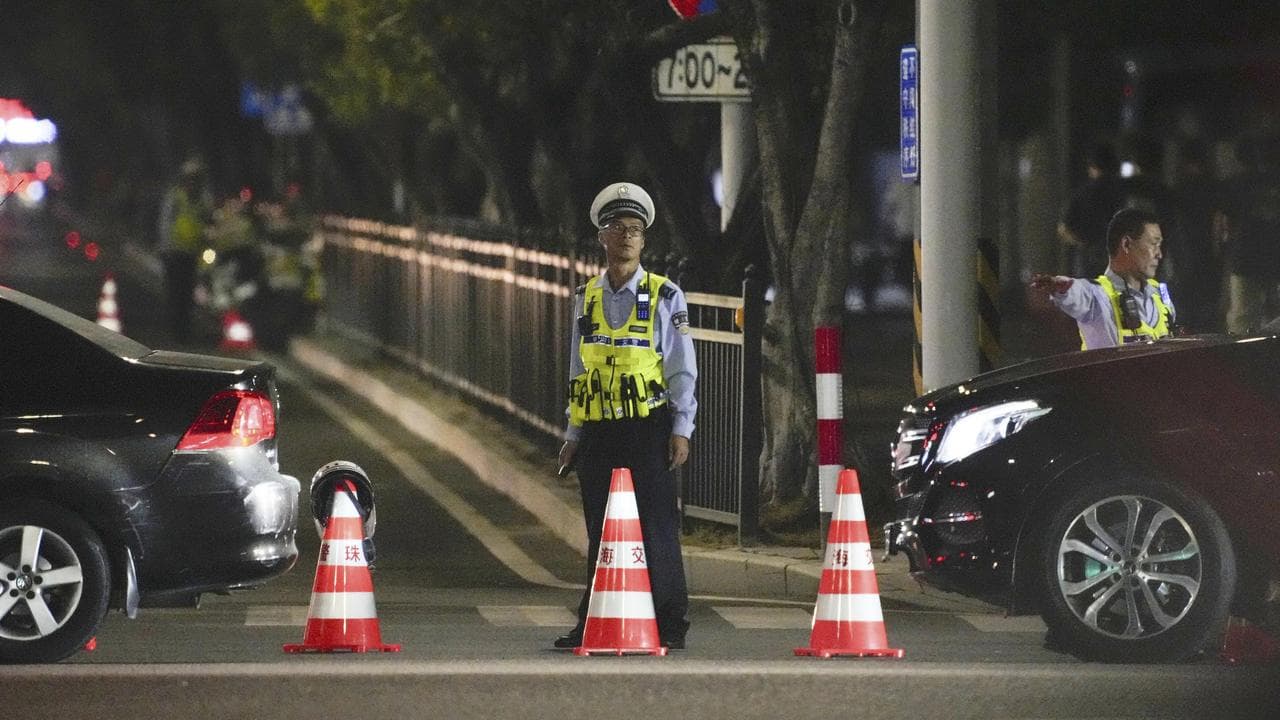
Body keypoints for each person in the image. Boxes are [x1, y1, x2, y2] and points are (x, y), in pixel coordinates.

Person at [554, 182, 697, 650]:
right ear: (602, 237)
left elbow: (681, 368)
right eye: (618, 228)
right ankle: (593, 619)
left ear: (644, 240)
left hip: (647, 426)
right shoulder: (586, 296)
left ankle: (670, 622)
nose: (627, 237)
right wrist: (574, 432)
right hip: (598, 429)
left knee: (656, 526)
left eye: (635, 230)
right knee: (600, 530)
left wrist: (681, 429)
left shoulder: (665, 295)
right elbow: (578, 368)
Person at [1032, 207, 1175, 350]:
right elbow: (1075, 290)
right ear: (1126, 244)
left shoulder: (1160, 293)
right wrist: (1058, 286)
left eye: (1160, 245)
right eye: (1153, 244)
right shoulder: (1097, 296)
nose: (1159, 254)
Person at [1218, 133, 1280, 335]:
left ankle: (1243, 363)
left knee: (1242, 323)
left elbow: (1226, 227)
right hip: (1274, 257)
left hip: (1245, 259)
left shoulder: (1235, 184)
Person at [157, 158, 211, 343]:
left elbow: (207, 223)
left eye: (197, 179)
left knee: (188, 293)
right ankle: (174, 329)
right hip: (174, 253)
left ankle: (185, 329)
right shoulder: (176, 198)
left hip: (192, 253)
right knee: (175, 292)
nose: (193, 183)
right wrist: (166, 248)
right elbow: (165, 224)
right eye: (191, 179)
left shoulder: (203, 201)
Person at [1057, 141, 1125, 277]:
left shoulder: (1082, 194)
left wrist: (1081, 243)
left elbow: (1063, 229)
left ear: (1092, 167)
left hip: (1088, 259)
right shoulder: (1123, 193)